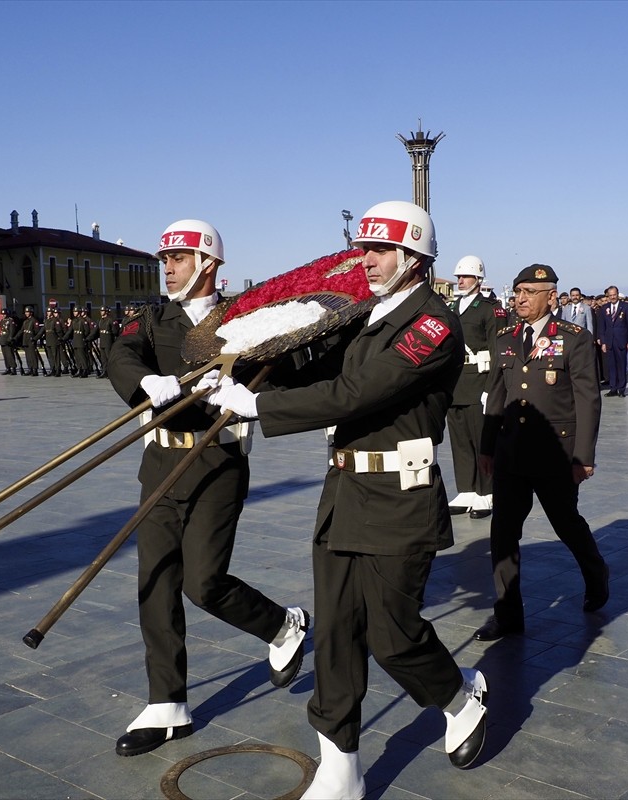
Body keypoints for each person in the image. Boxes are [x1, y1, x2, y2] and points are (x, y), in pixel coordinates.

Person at [204, 201, 489, 798]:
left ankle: (460, 697)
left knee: (394, 635)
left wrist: (263, 407)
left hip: (399, 498)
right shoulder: (365, 316)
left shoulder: (432, 324)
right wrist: (246, 367)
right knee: (335, 633)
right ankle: (341, 768)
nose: (367, 260)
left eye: (381, 250)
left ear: (414, 258)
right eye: (364, 248)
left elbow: (359, 391)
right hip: (344, 492)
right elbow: (317, 372)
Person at [107, 218, 309, 759]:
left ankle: (282, 623)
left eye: (178, 258)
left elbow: (288, 372)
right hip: (160, 461)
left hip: (218, 462)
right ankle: (167, 703)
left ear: (208, 263)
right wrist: (145, 381)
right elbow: (120, 355)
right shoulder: (153, 317)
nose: (167, 268)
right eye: (164, 259)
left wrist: (242, 383)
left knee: (204, 582)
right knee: (155, 581)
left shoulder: (246, 319)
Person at [473, 262, 608, 647]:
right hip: (511, 452)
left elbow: (588, 399)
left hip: (554, 454)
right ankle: (507, 616)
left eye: (529, 293)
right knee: (502, 535)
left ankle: (596, 573)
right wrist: (486, 446)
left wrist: (583, 457)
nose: (520, 299)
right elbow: (495, 396)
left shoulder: (573, 338)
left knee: (566, 524)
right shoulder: (506, 336)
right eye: (517, 293)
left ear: (551, 297)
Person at [446, 255, 506, 519]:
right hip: (456, 382)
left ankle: (487, 491)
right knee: (460, 439)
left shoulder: (490, 309)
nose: (460, 281)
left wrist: (491, 388)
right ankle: (467, 488)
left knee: (482, 438)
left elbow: (498, 351)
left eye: (466, 276)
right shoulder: (452, 307)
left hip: (480, 381)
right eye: (458, 276)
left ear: (478, 279)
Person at [597, 285, 628, 397]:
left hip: (622, 341)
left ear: (618, 294)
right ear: (608, 296)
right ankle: (613, 388)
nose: (613, 297)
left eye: (614, 295)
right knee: (611, 366)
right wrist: (603, 342)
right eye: (610, 295)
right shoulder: (604, 308)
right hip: (609, 341)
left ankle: (621, 389)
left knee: (621, 366)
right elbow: (602, 327)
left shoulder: (626, 306)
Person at [20, 307, 42, 377]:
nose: (26, 313)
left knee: (33, 355)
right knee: (28, 355)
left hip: (31, 340)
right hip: (26, 340)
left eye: (28, 312)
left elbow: (37, 332)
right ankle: (30, 368)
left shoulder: (34, 321)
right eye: (26, 312)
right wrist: (15, 338)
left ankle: (35, 369)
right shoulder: (25, 321)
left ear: (31, 313)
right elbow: (21, 331)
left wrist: (34, 339)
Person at [0, 309, 20, 375]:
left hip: (8, 340)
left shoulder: (10, 320)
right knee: (5, 355)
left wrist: (10, 338)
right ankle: (8, 368)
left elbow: (12, 330)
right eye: (2, 314)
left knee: (10, 354)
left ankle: (13, 368)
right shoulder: (2, 321)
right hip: (2, 339)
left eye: (4, 314)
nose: (3, 315)